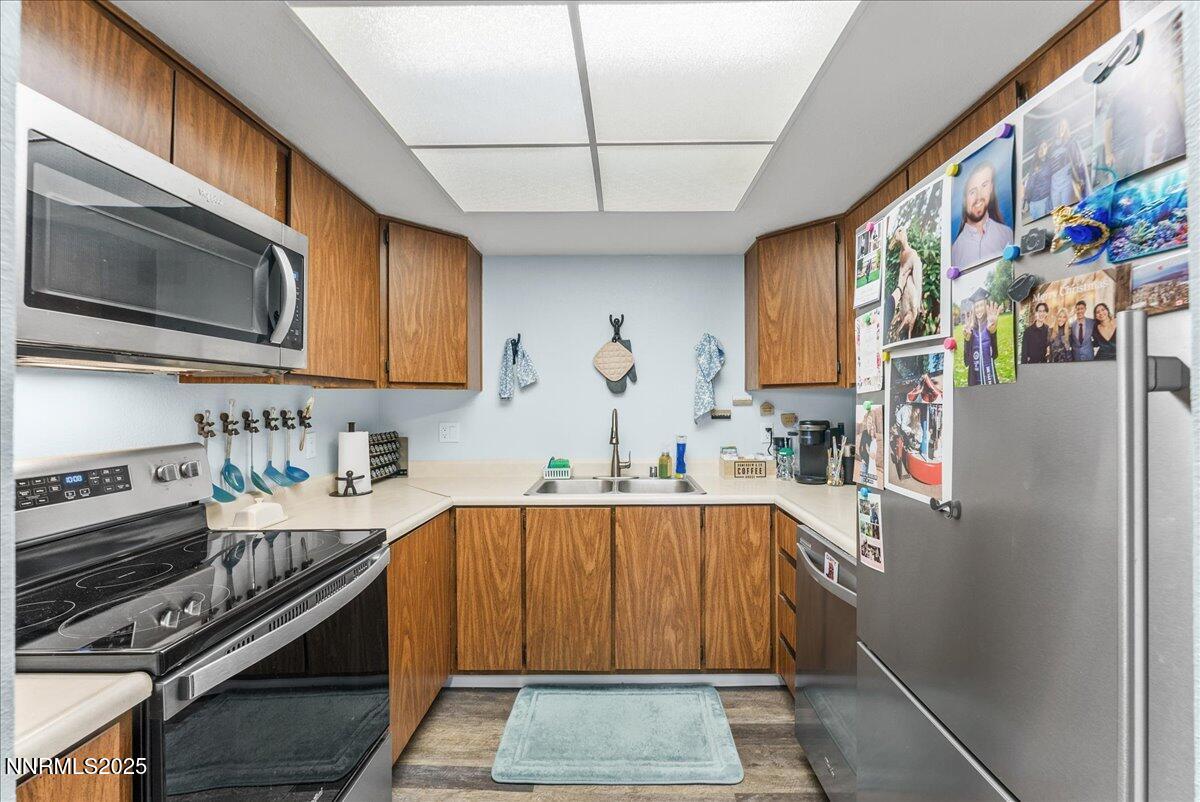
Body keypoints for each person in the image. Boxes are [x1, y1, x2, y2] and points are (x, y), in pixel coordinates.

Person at [951, 160, 1014, 267]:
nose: (979, 196)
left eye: (984, 185)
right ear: (964, 199)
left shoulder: (1006, 234)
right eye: (972, 192)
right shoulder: (955, 250)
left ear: (991, 188)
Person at [888, 225, 923, 342]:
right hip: (903, 301)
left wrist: (917, 304)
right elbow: (901, 277)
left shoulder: (913, 254)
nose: (898, 234)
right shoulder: (901, 255)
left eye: (900, 231)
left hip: (911, 301)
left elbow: (918, 283)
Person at [961, 287, 1002, 384]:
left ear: (985, 306)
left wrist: (993, 332)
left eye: (981, 305)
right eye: (976, 306)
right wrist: (967, 339)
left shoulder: (989, 325)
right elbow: (966, 360)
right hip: (974, 377)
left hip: (989, 374)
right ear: (974, 309)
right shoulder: (971, 329)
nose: (979, 309)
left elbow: (995, 354)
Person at [1047, 118, 1091, 208]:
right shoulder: (1050, 148)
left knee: (1069, 207)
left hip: (1068, 180)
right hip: (1055, 184)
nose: (1060, 129)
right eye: (1058, 126)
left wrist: (1080, 179)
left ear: (1066, 128)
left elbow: (1079, 162)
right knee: (1058, 210)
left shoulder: (1072, 143)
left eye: (1063, 126)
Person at [1023, 141, 1052, 220]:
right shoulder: (1034, 165)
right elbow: (1029, 184)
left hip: (1044, 200)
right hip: (1033, 202)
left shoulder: (1049, 162)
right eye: (1040, 148)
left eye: (1044, 147)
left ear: (1047, 149)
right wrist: (1027, 202)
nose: (1042, 150)